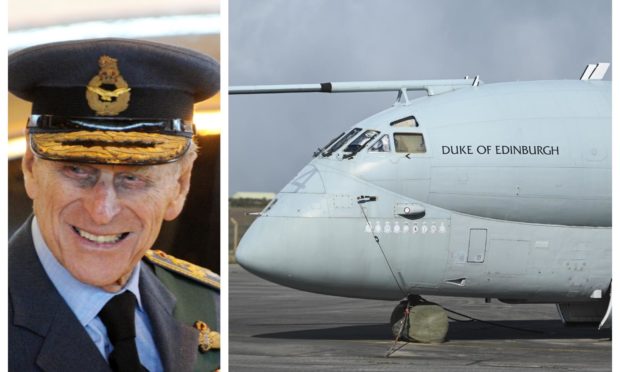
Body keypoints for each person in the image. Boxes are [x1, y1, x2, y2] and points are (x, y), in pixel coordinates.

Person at [8, 38, 221, 372]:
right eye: (77, 170)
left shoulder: (211, 303)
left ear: (180, 187)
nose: (101, 211)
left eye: (133, 179)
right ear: (31, 168)